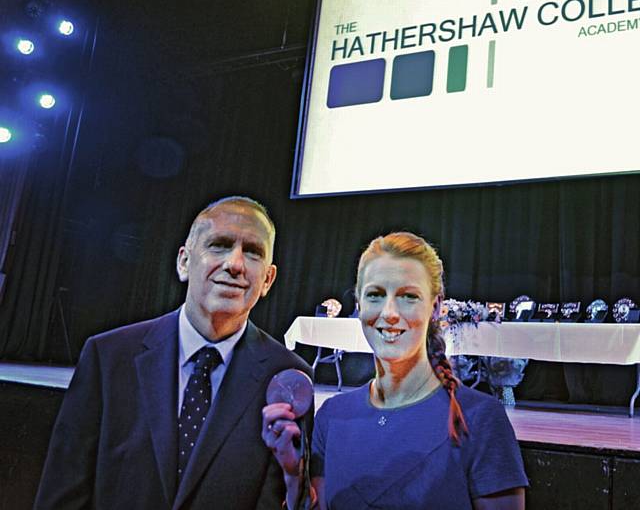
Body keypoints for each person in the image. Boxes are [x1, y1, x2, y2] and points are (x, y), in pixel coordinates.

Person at [35, 196, 311, 510]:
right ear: (184, 262)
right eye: (219, 245)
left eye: (252, 252)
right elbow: (62, 493)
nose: (235, 264)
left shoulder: (288, 377)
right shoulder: (109, 357)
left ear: (268, 279)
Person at [263, 231, 528, 510]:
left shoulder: (480, 419)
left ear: (435, 307)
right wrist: (294, 476)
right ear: (359, 304)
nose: (389, 312)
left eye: (408, 296)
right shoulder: (333, 415)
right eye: (375, 295)